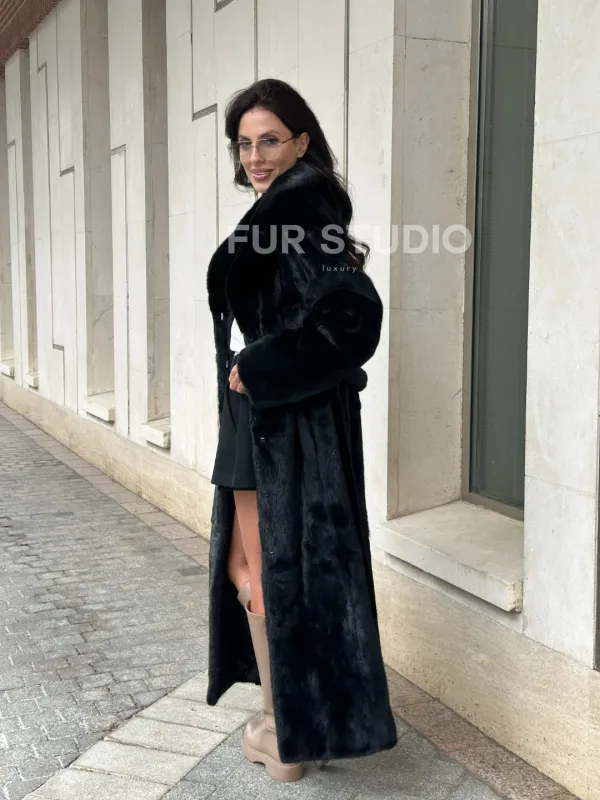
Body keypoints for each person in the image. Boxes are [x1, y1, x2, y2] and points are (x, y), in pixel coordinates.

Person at [206, 78, 397, 782]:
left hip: (283, 425)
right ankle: (292, 723)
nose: (255, 156)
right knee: (251, 567)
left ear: (301, 143)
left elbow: (353, 320)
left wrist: (261, 365)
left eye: (270, 141)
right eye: (244, 143)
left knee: (264, 571)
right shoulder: (278, 210)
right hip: (261, 419)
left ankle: (283, 733)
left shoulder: (302, 211)